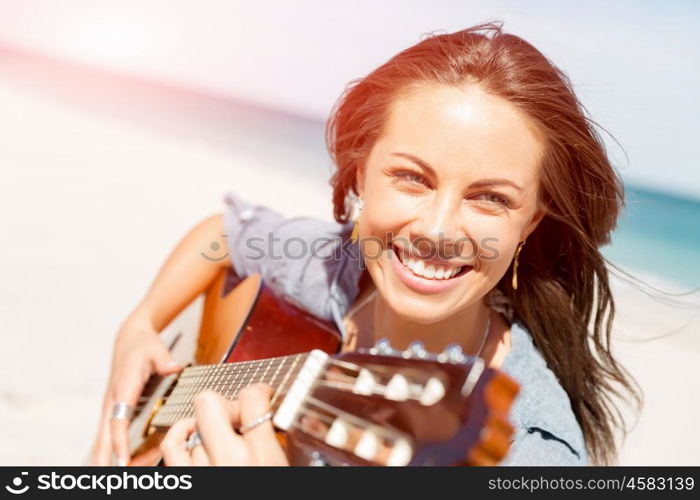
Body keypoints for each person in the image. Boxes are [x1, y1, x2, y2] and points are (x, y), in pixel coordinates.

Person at [89, 21, 641, 467]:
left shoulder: (531, 450)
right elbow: (223, 232)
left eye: (491, 198)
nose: (438, 231)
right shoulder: (337, 267)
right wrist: (139, 326)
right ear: (360, 174)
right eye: (412, 178)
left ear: (530, 222)